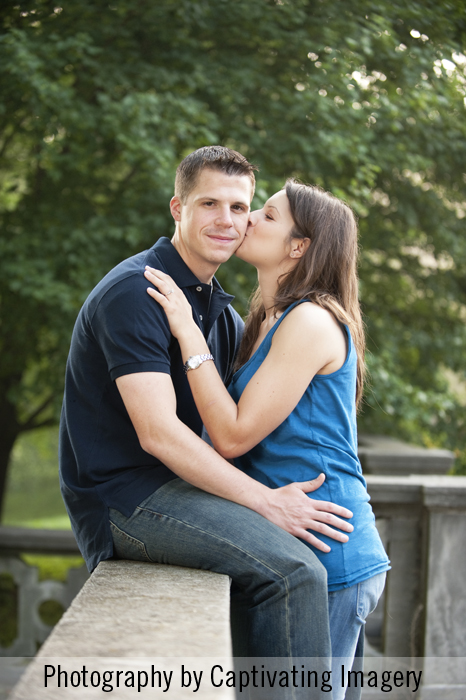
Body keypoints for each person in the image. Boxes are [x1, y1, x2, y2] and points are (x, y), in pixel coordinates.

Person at [59, 147, 355, 687]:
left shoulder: (216, 309)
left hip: (179, 491)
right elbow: (159, 433)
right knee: (294, 572)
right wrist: (265, 503)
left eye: (241, 207)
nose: (226, 219)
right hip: (126, 500)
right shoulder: (137, 292)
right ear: (178, 208)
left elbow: (230, 427)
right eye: (209, 203)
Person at [143, 178, 390, 699]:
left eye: (267, 215)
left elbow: (231, 435)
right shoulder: (266, 319)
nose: (248, 217)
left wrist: (187, 330)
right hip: (288, 545)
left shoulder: (312, 322)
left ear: (298, 247)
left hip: (329, 550)